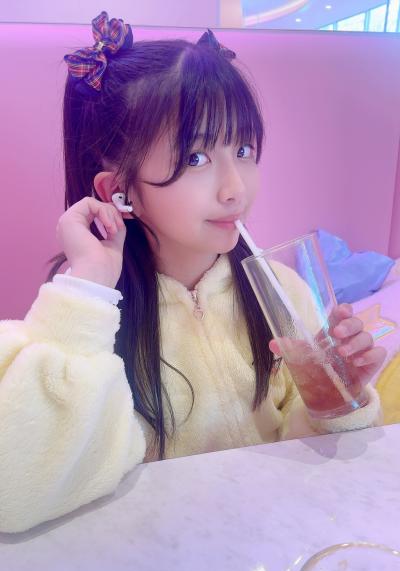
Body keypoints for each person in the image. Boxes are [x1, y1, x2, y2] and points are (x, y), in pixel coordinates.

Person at [0, 12, 385, 533]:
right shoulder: (85, 318)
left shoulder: (282, 291)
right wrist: (89, 282)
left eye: (244, 150)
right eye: (197, 157)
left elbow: (300, 461)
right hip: (156, 560)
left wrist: (333, 406)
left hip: (267, 548)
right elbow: (16, 493)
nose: (235, 189)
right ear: (120, 190)